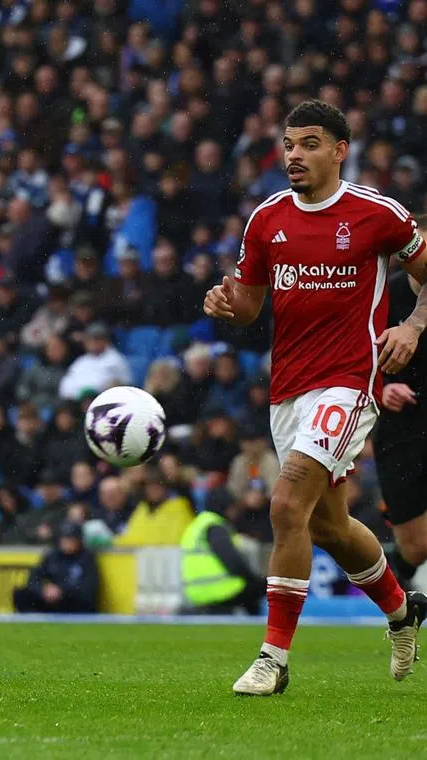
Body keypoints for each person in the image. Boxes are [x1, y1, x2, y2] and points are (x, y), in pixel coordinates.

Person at [204, 100, 427, 696]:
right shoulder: (266, 219)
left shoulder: (377, 214)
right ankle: (404, 611)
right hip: (289, 390)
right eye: (287, 144)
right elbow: (249, 305)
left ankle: (272, 660)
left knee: (284, 507)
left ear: (338, 150)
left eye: (307, 143)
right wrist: (224, 302)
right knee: (327, 525)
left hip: (351, 381)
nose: (294, 155)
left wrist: (412, 325)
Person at [375, 217, 427, 589]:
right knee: (415, 545)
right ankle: (398, 605)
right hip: (401, 425)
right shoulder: (384, 296)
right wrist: (381, 389)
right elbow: (356, 353)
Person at [180, 506, 266, 615]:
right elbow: (233, 562)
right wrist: (253, 579)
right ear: (227, 508)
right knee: (265, 586)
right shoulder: (215, 526)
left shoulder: (196, 525)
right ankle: (258, 625)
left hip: (195, 593)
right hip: (221, 591)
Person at [12, 522, 99, 614]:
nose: (66, 543)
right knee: (20, 594)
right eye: (64, 539)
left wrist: (62, 590)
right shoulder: (52, 556)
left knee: (80, 600)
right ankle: (32, 621)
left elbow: (88, 587)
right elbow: (34, 577)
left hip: (70, 600)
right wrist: (43, 589)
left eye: (70, 539)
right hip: (51, 598)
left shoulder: (86, 558)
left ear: (78, 540)